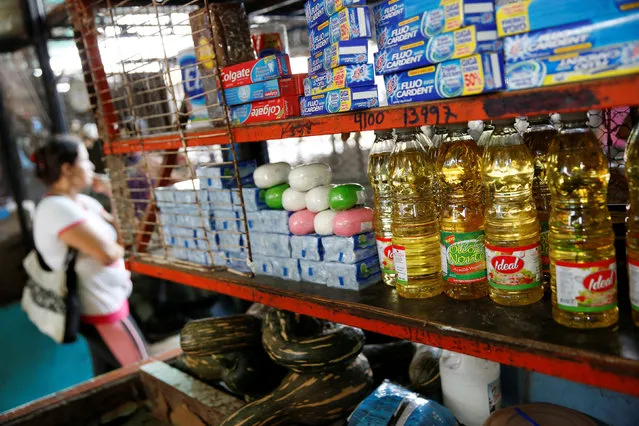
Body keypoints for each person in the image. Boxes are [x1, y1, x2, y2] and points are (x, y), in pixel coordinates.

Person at [32, 135, 148, 375]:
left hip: (109, 298)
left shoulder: (80, 202)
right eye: (85, 160)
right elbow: (107, 254)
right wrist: (119, 248)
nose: (92, 167)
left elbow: (122, 230)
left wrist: (109, 192)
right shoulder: (55, 209)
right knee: (145, 369)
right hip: (100, 307)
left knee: (111, 375)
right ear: (67, 169)